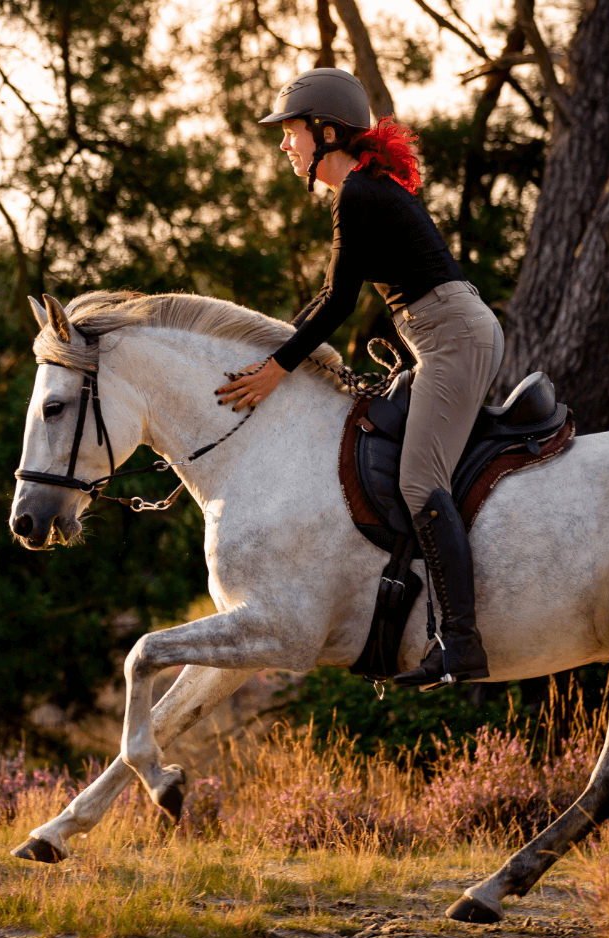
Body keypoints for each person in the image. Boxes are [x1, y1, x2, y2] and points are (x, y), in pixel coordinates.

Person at [214, 67, 504, 687]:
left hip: (453, 339)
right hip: (440, 337)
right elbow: (332, 300)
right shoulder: (365, 192)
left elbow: (337, 301)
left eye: (290, 132)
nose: (283, 145)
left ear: (325, 132)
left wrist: (275, 369)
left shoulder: (358, 194)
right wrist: (282, 355)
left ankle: (459, 644)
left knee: (420, 482)